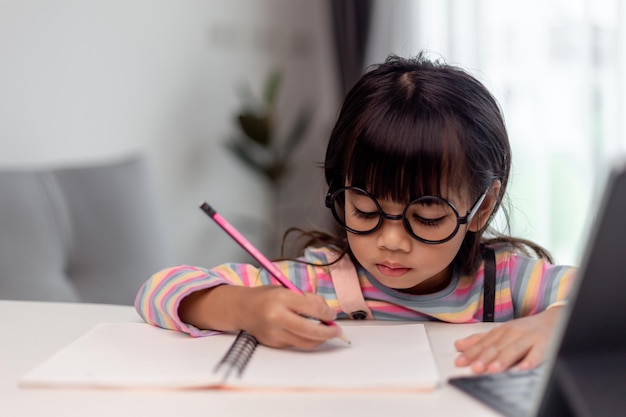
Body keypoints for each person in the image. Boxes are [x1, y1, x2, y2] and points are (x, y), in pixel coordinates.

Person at [135, 52, 575, 375]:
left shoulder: (503, 285)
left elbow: (603, 297)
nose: (391, 241)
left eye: (426, 219)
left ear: (481, 209)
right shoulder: (319, 282)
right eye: (365, 211)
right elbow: (157, 289)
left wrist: (554, 323)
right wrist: (240, 307)